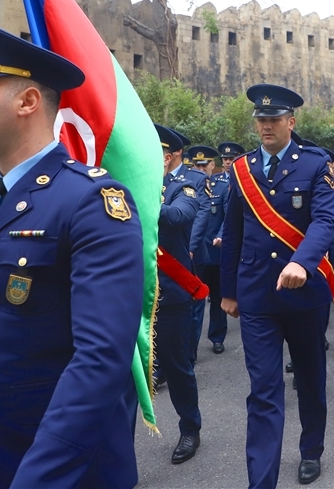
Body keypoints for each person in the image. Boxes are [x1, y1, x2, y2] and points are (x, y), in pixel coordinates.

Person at [0, 21, 142, 488]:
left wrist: (40, 478)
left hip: (58, 464)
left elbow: (100, 359)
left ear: (27, 102)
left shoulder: (92, 201)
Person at [220, 84, 334, 487]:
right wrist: (229, 291)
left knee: (309, 378)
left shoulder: (315, 164)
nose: (266, 126)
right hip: (256, 295)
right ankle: (262, 480)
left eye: (274, 119)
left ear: (291, 122)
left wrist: (302, 264)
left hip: (305, 295)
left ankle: (311, 449)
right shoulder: (241, 169)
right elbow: (232, 233)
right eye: (260, 120)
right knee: (264, 390)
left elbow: (325, 221)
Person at [153, 124, 205, 464]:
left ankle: (190, 428)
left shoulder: (183, 186)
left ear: (168, 156)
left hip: (169, 293)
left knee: (176, 367)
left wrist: (139, 196)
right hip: (130, 292)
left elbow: (177, 218)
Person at [188, 146, 228, 353]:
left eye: (204, 165)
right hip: (196, 252)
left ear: (213, 165)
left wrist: (221, 234)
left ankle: (217, 337)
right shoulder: (187, 184)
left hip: (216, 250)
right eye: (197, 165)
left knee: (219, 297)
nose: (201, 169)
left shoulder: (223, 186)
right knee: (196, 300)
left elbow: (228, 216)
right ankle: (191, 348)